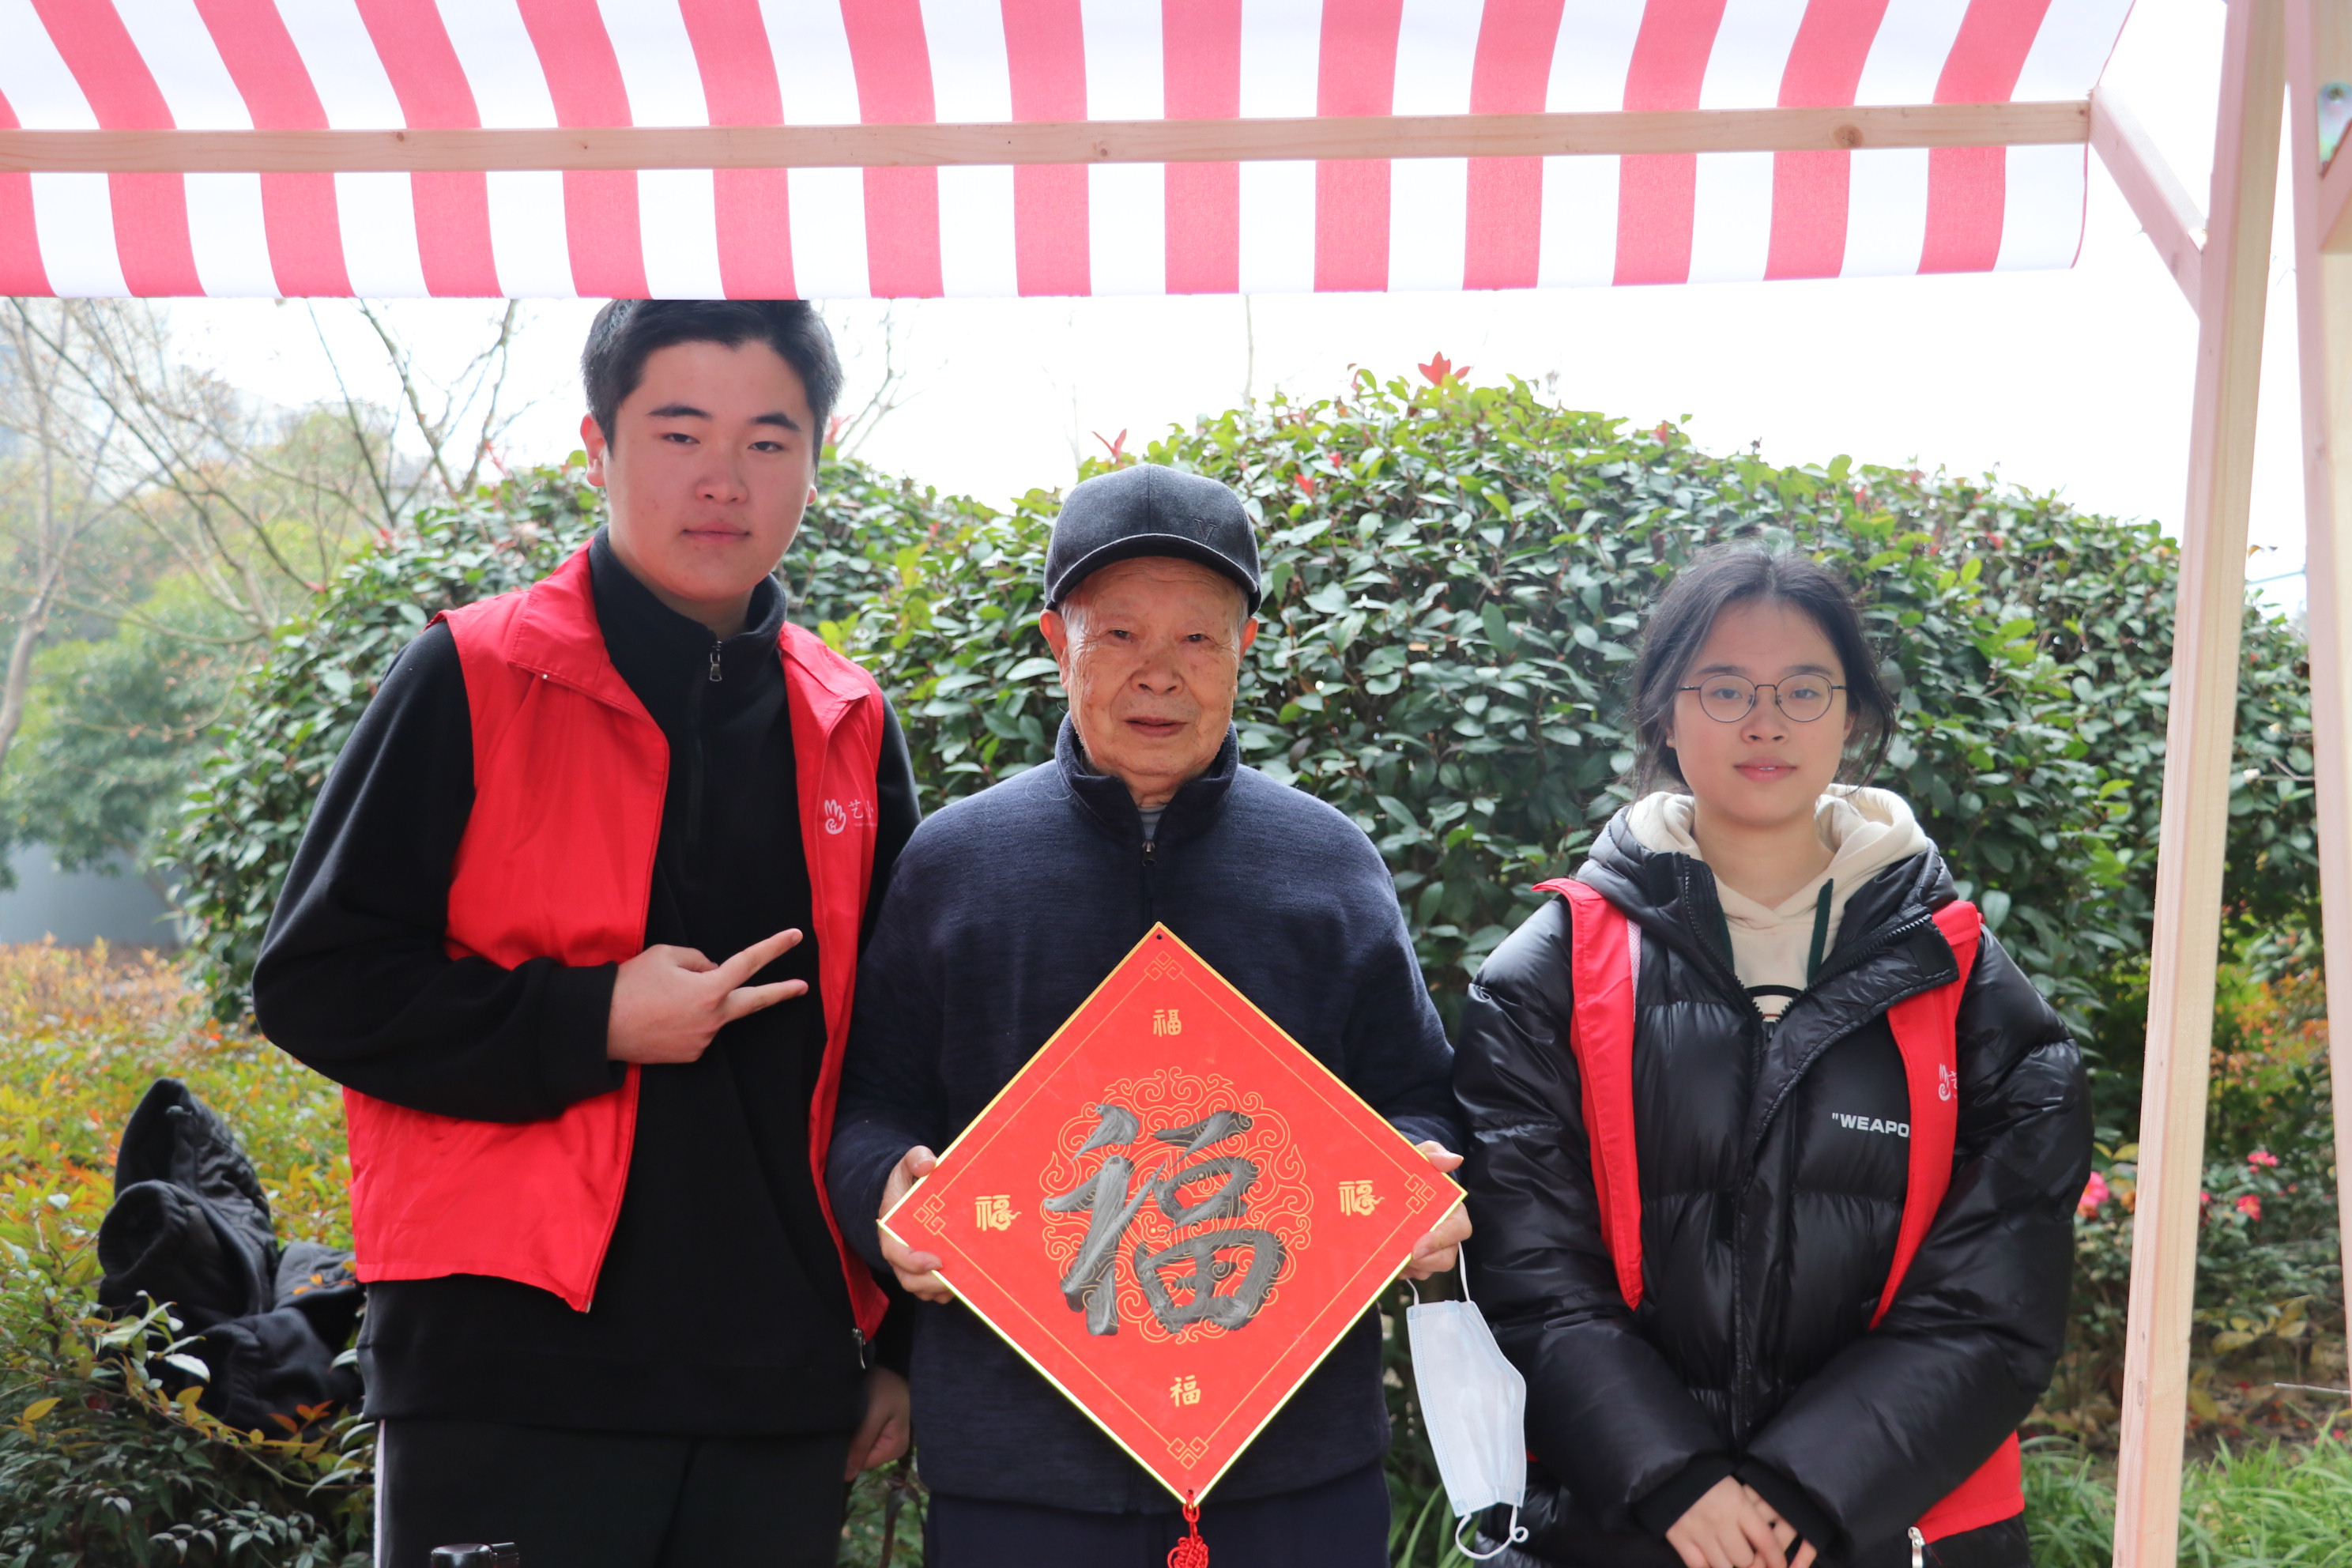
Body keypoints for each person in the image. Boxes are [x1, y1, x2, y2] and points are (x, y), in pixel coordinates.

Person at [253, 300, 918, 1567]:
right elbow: (317, 981)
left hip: (779, 1381)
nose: (723, 481)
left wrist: (899, 1342)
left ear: (816, 456)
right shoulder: (473, 674)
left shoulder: (849, 718)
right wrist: (593, 1017)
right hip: (505, 1369)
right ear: (598, 446)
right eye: (679, 433)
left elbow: (899, 1048)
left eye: (768, 441)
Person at [826, 462, 1470, 1568]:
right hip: (1019, 1467)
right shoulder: (957, 864)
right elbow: (869, 1103)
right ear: (1056, 641)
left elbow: (1417, 1091)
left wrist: (1421, 1175)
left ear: (1246, 648)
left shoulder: (1327, 862)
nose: (1158, 674)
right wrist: (884, 1190)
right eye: (1118, 633)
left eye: (1198, 639)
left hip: (1292, 1465)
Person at [1453, 545, 2090, 1568]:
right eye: (1724, 688)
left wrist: (1808, 1489)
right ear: (1665, 713)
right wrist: (1675, 1479)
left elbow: (2000, 1288)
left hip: (1889, 1527)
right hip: (1620, 1524)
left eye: (1803, 689)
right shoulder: (1552, 973)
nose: (1766, 722)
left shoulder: (1965, 976)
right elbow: (1528, 1269)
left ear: (1851, 715)